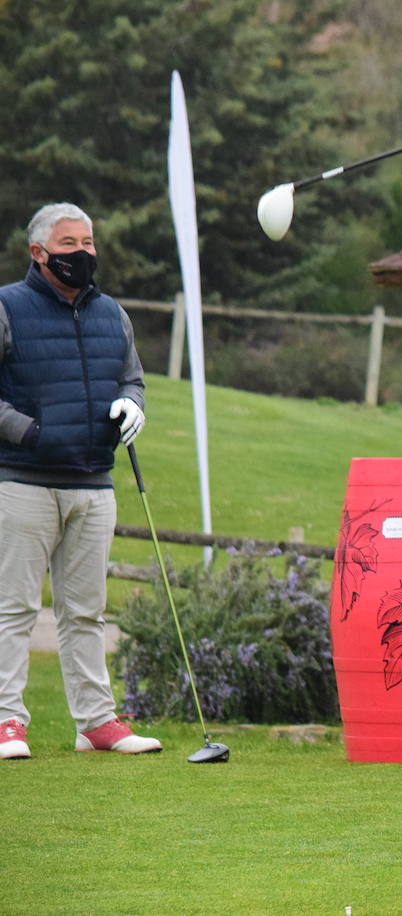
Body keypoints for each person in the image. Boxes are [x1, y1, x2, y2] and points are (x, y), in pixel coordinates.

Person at [0, 202, 161, 760]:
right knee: (14, 607)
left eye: (89, 243)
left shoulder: (111, 311)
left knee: (86, 611)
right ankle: (5, 722)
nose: (83, 254)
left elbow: (131, 376)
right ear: (38, 253)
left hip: (94, 481)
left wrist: (132, 404)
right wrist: (29, 432)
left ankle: (95, 723)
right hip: (22, 480)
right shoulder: (6, 306)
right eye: (70, 245)